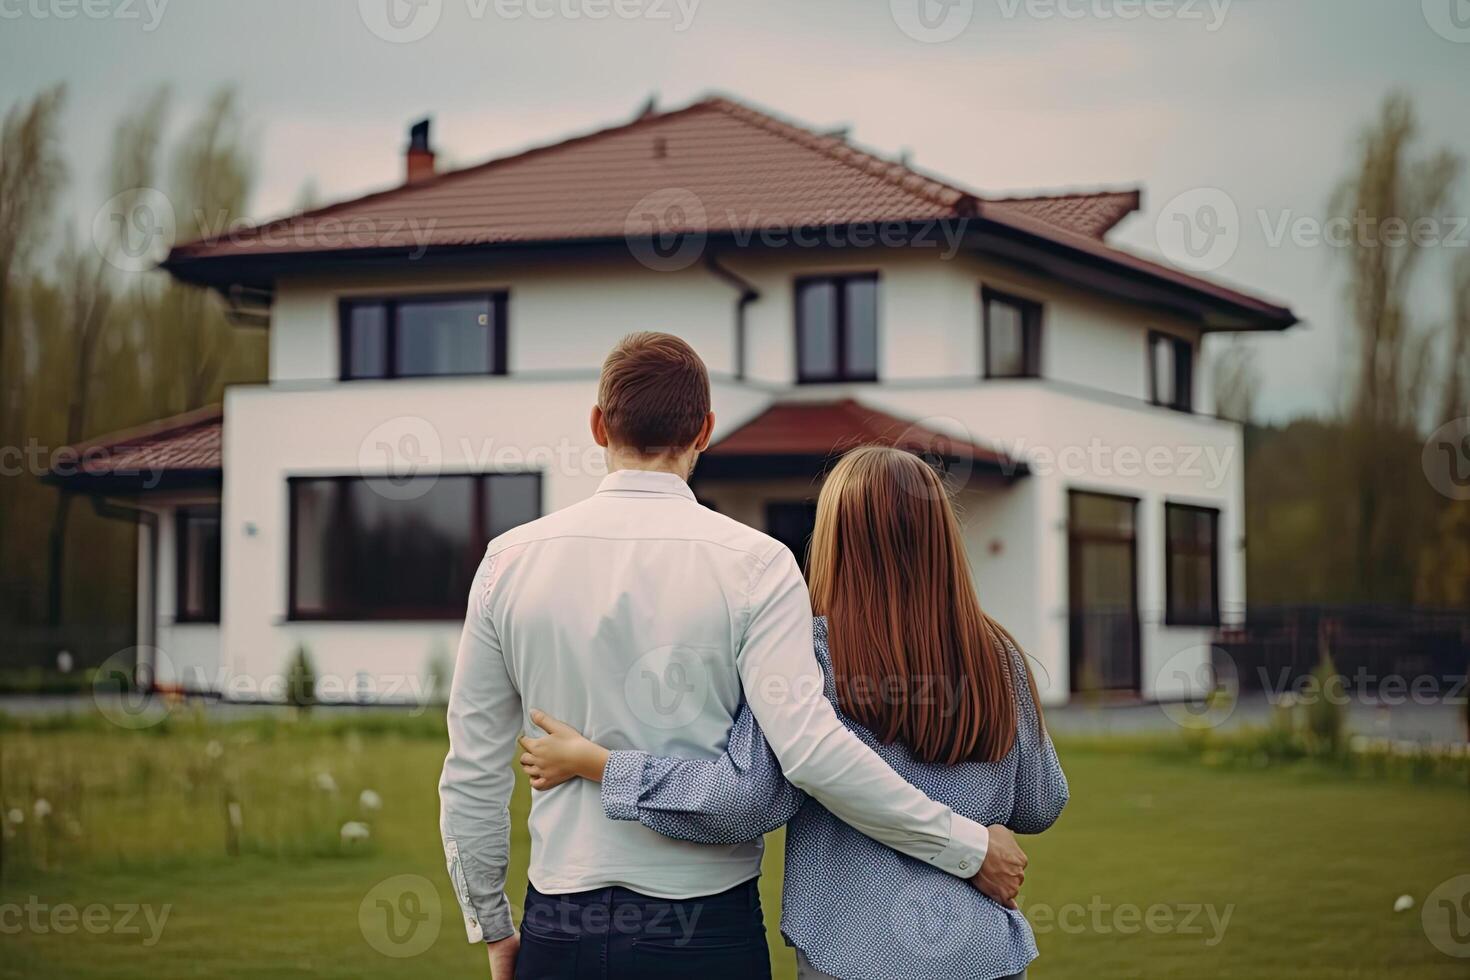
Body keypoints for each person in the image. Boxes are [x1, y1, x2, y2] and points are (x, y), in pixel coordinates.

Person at [439, 333, 1029, 980]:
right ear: (706, 430)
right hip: (707, 935)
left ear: (598, 425)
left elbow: (473, 769)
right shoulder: (758, 565)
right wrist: (967, 846)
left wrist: (493, 927)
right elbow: (810, 753)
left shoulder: (508, 562)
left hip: (561, 926)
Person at [520, 444, 1068, 980]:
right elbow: (1041, 803)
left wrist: (598, 763)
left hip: (855, 955)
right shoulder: (998, 656)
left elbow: (744, 801)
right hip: (984, 953)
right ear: (943, 538)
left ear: (834, 540)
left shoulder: (812, 656)